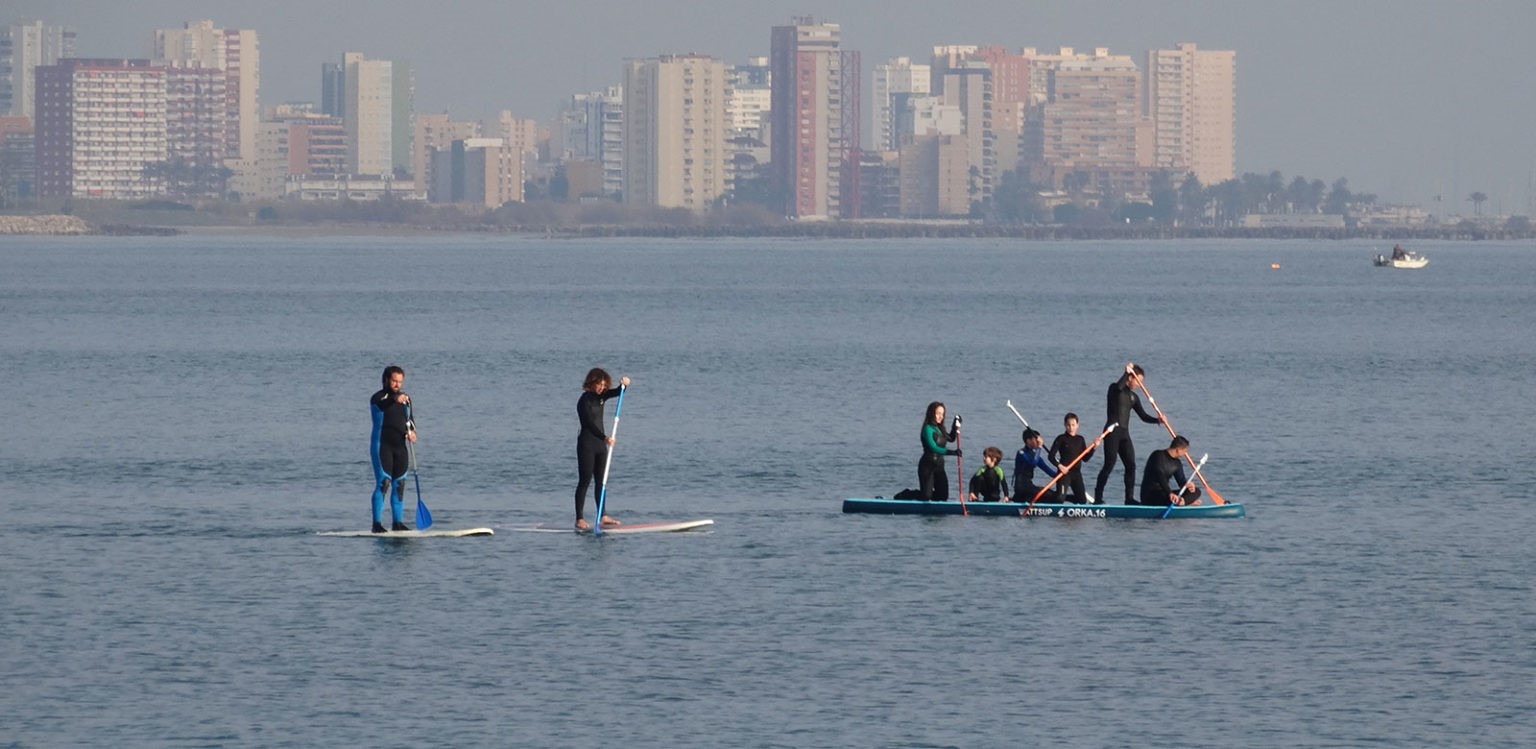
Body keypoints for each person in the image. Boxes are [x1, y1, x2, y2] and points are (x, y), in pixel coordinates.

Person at [1094, 363, 1162, 505]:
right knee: (1109, 464)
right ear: (1130, 378)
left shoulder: (1133, 397)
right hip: (1111, 432)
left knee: (1131, 465)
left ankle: (1129, 499)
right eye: (1138, 381)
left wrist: (1158, 420)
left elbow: (1143, 416)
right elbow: (1119, 387)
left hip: (1124, 434)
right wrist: (1125, 372)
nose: (1139, 384)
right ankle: (1098, 498)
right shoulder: (1114, 388)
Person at [575, 367, 631, 531]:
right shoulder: (584, 401)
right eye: (599, 385)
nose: (602, 388)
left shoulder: (602, 397)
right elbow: (588, 424)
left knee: (601, 480)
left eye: (604, 385)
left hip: (601, 446)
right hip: (587, 444)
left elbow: (618, 393)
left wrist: (624, 385)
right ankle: (579, 518)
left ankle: (603, 516)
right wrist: (605, 437)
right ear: (592, 383)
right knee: (584, 481)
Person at [369, 365, 416, 533]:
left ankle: (397, 523)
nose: (397, 385)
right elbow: (384, 404)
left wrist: (412, 432)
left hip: (400, 447)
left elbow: (410, 420)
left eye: (400, 382)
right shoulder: (377, 398)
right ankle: (376, 524)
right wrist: (395, 399)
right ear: (386, 380)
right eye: (394, 381)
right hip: (382, 446)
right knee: (384, 482)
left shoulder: (406, 399)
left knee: (400, 483)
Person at [1139, 435, 1203, 507]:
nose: (1185, 454)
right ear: (1178, 450)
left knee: (1197, 491)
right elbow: (1160, 476)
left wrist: (1189, 486)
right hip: (1150, 495)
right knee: (1170, 498)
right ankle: (1185, 503)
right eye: (1185, 451)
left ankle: (1183, 502)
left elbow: (1181, 481)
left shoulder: (1177, 463)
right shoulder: (1157, 455)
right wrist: (1169, 493)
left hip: (1166, 493)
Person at [1048, 412, 1095, 504]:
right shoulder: (1061, 438)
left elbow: (1085, 459)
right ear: (1065, 425)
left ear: (1077, 425)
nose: (1071, 428)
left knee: (1082, 501)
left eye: (1073, 425)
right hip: (1064, 473)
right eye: (1068, 425)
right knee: (1059, 499)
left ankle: (1063, 498)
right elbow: (1051, 456)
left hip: (1076, 474)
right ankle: (1053, 498)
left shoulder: (1080, 439)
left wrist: (1094, 448)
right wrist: (1060, 466)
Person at [918, 401, 961, 500]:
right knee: (926, 497)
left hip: (939, 466)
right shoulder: (927, 428)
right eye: (938, 413)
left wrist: (955, 425)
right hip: (927, 467)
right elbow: (933, 448)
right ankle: (906, 494)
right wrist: (952, 452)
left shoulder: (940, 428)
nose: (940, 416)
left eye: (942, 414)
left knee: (943, 497)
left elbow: (951, 438)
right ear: (931, 413)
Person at [1013, 428, 1065, 503]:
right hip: (1021, 487)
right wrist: (1039, 447)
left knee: (1053, 494)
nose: (1038, 442)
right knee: (1050, 495)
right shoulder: (1021, 453)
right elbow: (1033, 463)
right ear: (1028, 441)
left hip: (1029, 486)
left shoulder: (1035, 456)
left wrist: (1061, 475)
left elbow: (1047, 470)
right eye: (1036, 440)